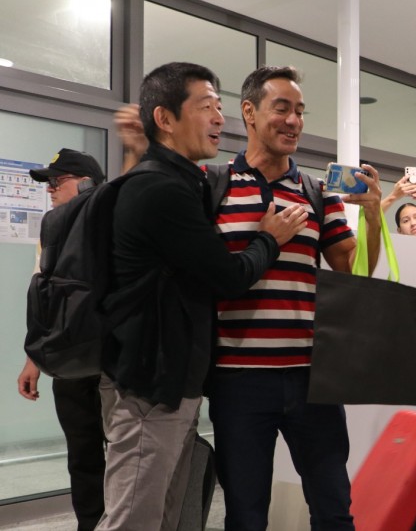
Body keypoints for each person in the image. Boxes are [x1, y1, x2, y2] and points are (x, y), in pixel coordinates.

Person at [116, 65, 382, 530]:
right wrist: (138, 152)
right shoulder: (211, 185)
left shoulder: (319, 193)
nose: (293, 120)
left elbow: (354, 272)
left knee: (334, 507)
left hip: (312, 380)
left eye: (300, 111)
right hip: (237, 381)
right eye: (281, 108)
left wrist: (376, 216)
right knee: (245, 514)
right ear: (249, 112)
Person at [98, 62, 308, 530]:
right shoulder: (161, 189)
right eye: (205, 107)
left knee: (165, 514)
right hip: (152, 383)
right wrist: (269, 237)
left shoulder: (182, 181)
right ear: (165, 119)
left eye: (219, 106)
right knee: (134, 517)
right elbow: (228, 277)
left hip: (173, 383)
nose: (219, 117)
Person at [15, 148, 107, 531]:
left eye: (58, 181)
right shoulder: (51, 226)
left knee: (123, 455)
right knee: (82, 455)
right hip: (68, 360)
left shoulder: (115, 220)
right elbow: (43, 296)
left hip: (110, 363)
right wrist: (34, 358)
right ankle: (90, 524)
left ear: (87, 183)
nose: (50, 189)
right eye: (48, 183)